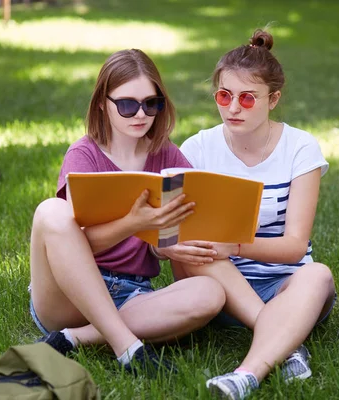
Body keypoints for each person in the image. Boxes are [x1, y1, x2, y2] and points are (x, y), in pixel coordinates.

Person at [28, 49, 226, 375]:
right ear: (103, 105)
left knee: (210, 293)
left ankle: (73, 340)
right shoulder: (84, 155)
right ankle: (129, 349)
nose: (140, 114)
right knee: (50, 211)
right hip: (69, 296)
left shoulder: (166, 155)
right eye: (127, 104)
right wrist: (134, 223)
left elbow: (181, 228)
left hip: (132, 295)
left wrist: (164, 244)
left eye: (151, 103)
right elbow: (75, 245)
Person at [166, 29, 336, 398]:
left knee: (318, 274)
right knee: (200, 250)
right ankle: (286, 342)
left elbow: (294, 247)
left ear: (273, 99)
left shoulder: (300, 147)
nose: (233, 108)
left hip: (288, 290)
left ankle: (246, 375)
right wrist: (198, 249)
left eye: (247, 98)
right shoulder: (198, 148)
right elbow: (174, 234)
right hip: (220, 289)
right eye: (224, 96)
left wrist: (235, 246)